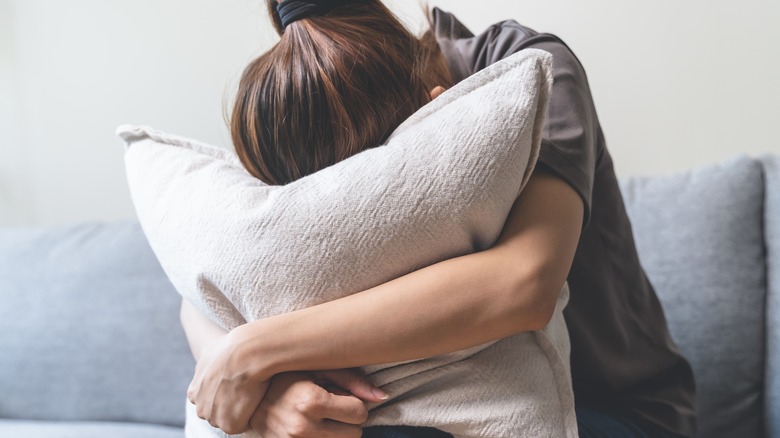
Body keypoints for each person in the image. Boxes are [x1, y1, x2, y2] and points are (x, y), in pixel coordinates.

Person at [181, 1, 696, 437]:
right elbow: (205, 284)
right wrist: (257, 383)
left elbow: (526, 282)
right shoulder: (293, 103)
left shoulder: (523, 66)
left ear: (432, 112)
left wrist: (257, 348)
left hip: (612, 408)